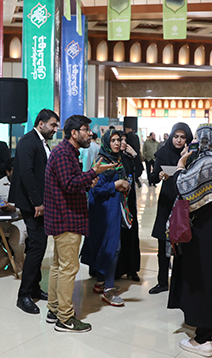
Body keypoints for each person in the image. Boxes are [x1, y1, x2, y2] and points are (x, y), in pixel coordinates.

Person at [44, 115, 115, 332]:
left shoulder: (68, 152)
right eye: (85, 129)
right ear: (74, 133)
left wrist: (87, 179)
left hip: (63, 216)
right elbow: (68, 183)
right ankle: (65, 319)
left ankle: (54, 308)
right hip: (66, 219)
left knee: (58, 266)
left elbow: (73, 182)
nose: (90, 133)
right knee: (69, 268)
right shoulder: (64, 153)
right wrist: (94, 173)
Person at [168, 124, 212, 357]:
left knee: (204, 281)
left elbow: (184, 189)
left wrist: (180, 166)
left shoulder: (207, 162)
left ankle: (202, 339)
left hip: (205, 232)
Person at [11, 109, 60, 314]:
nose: (55, 130)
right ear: (41, 123)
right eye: (53, 125)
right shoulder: (27, 141)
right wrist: (37, 202)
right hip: (33, 204)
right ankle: (23, 295)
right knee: (38, 246)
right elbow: (26, 174)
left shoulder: (41, 141)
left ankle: (34, 289)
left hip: (41, 202)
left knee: (36, 245)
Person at [81, 130, 131, 306]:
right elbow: (95, 188)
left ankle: (101, 282)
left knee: (107, 245)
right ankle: (108, 289)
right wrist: (116, 184)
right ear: (105, 142)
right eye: (113, 140)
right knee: (113, 247)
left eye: (119, 140)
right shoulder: (101, 161)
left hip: (113, 209)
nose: (117, 143)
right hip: (103, 211)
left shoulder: (116, 160)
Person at [149, 122, 193, 295]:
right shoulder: (163, 153)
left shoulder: (192, 155)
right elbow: (152, 178)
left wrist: (185, 159)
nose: (179, 140)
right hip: (167, 203)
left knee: (182, 243)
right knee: (163, 243)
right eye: (176, 136)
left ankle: (181, 281)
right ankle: (162, 281)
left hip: (184, 203)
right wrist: (159, 175)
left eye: (182, 137)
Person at [115, 133, 142, 282]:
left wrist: (135, 155)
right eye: (119, 140)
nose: (123, 143)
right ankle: (117, 269)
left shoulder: (128, 158)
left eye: (125, 140)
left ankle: (132, 268)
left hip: (129, 202)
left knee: (131, 233)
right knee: (118, 235)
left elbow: (138, 172)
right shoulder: (111, 158)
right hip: (116, 202)